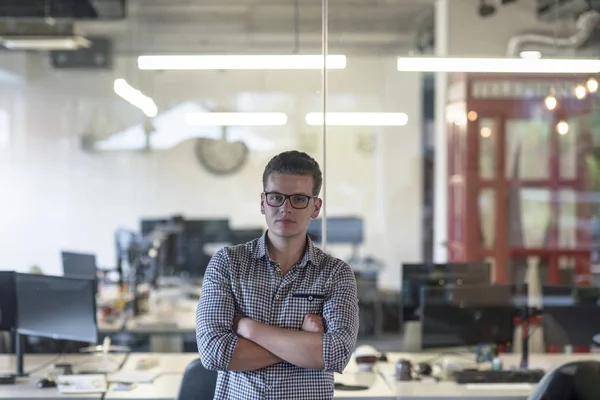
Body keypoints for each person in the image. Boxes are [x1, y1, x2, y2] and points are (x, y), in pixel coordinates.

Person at [196, 150, 359, 400]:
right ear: (263, 202)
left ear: (315, 207)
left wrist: (248, 328)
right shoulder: (228, 264)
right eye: (276, 197)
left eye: (299, 200)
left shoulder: (336, 274)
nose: (285, 208)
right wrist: (304, 341)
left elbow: (336, 354)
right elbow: (213, 353)